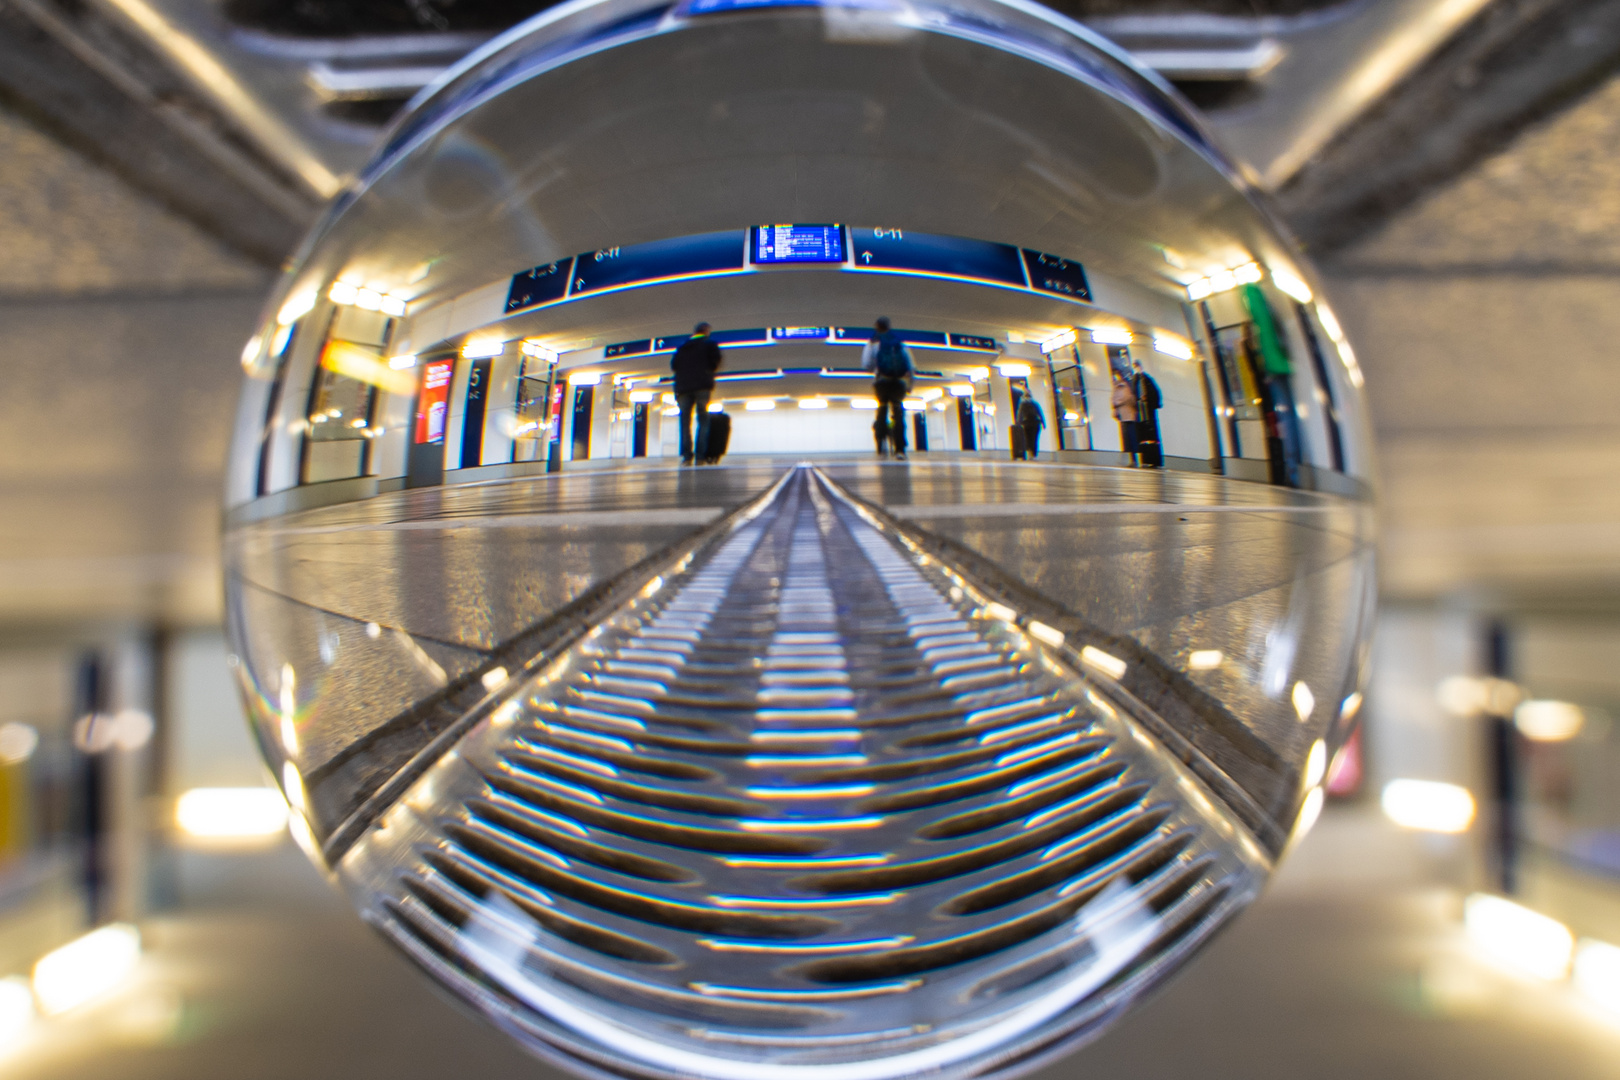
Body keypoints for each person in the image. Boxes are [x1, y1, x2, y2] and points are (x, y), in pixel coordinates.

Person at [861, 316, 914, 459]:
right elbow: (910, 365)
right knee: (898, 413)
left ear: (877, 327)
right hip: (898, 383)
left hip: (881, 382)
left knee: (882, 410)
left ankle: (880, 445)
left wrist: (875, 368)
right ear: (889, 327)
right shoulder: (899, 342)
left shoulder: (872, 342)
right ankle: (900, 450)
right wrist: (910, 385)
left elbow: (867, 364)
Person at [671, 322, 722, 464]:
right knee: (703, 421)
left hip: (683, 389)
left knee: (685, 422)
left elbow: (674, 366)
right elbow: (715, 362)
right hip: (702, 387)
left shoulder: (682, 348)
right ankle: (700, 457)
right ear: (706, 331)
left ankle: (687, 457)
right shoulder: (709, 344)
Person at [1131, 360, 1163, 468]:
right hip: (1141, 412)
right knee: (1143, 437)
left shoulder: (1146, 380)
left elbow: (1155, 393)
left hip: (1147, 411)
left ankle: (1154, 460)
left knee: (1151, 436)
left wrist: (1148, 399)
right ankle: (1145, 459)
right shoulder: (1135, 380)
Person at [1111, 369, 1138, 465]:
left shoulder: (1124, 386)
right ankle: (1130, 459)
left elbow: (1126, 398)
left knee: (1131, 437)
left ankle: (1134, 459)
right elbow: (1113, 400)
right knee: (1126, 439)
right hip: (1122, 416)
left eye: (1115, 375)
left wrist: (1118, 402)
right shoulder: (1116, 387)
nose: (1114, 378)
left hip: (1128, 416)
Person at [1016, 390, 1046, 460]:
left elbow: (1020, 415)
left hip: (1027, 424)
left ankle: (1030, 453)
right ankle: (1034, 454)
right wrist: (1043, 423)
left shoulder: (1022, 405)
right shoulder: (1035, 404)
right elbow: (1040, 414)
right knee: (1034, 439)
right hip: (1035, 424)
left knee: (1028, 439)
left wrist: (1018, 423)